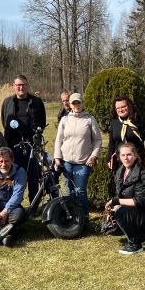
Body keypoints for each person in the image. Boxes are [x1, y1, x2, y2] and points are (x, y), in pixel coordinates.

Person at [105, 143, 145, 255]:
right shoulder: (120, 172)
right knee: (115, 214)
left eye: (129, 154)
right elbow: (119, 195)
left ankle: (136, 244)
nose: (126, 158)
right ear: (119, 157)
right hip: (138, 213)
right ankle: (142, 235)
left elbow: (139, 201)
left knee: (122, 213)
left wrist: (116, 202)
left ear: (135, 155)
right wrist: (113, 208)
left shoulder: (143, 175)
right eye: (123, 155)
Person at [53, 93, 101, 222]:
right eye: (74, 103)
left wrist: (93, 156)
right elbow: (58, 140)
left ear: (82, 103)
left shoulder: (90, 119)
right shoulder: (65, 120)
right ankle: (73, 218)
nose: (76, 105)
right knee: (69, 189)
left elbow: (97, 140)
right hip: (67, 160)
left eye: (78, 102)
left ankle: (84, 218)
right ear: (70, 105)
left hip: (83, 162)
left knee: (80, 190)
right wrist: (57, 158)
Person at [1, 74, 46, 203]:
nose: (21, 87)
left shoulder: (37, 102)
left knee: (33, 177)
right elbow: (4, 122)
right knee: (12, 176)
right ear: (14, 86)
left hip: (32, 146)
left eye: (23, 85)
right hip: (12, 146)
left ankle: (34, 205)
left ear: (27, 85)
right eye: (18, 85)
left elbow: (42, 122)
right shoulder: (7, 102)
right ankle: (13, 205)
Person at [107, 95, 145, 172]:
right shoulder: (114, 122)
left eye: (123, 107)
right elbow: (112, 143)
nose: (120, 110)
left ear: (129, 106)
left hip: (137, 161)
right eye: (118, 108)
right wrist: (109, 159)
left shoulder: (140, 121)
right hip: (119, 162)